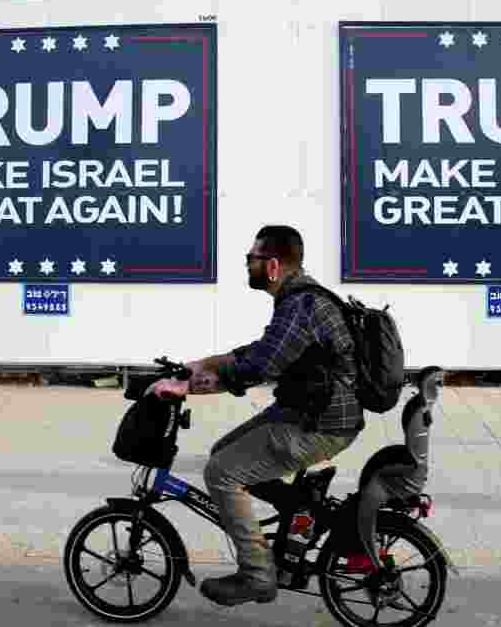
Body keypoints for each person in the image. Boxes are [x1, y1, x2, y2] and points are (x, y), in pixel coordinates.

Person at [149, 224, 363, 607]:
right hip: (308, 412)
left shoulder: (301, 305)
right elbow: (258, 350)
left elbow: (259, 366)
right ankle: (298, 506)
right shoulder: (299, 300)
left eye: (252, 258)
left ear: (274, 265)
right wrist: (198, 364)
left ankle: (257, 576)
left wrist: (189, 388)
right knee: (223, 450)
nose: (247, 264)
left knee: (222, 473)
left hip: (319, 424)